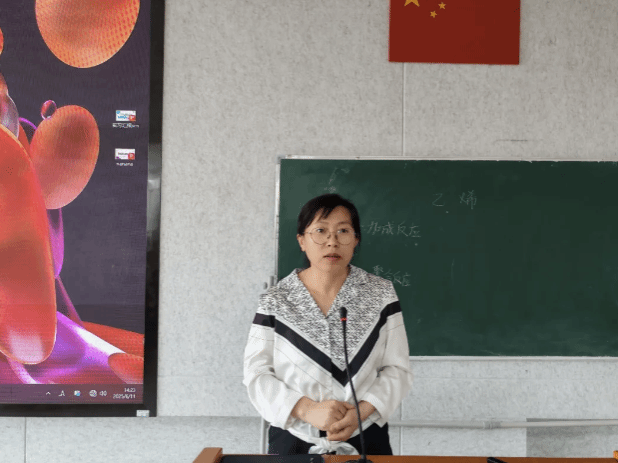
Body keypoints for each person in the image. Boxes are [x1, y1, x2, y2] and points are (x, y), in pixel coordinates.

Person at [243, 194, 413, 455]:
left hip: (366, 435)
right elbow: (257, 372)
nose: (332, 241)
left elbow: (397, 368)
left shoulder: (380, 294)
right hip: (294, 437)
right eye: (320, 231)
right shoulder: (275, 300)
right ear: (302, 240)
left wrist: (360, 413)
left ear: (356, 240)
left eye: (343, 231)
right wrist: (307, 410)